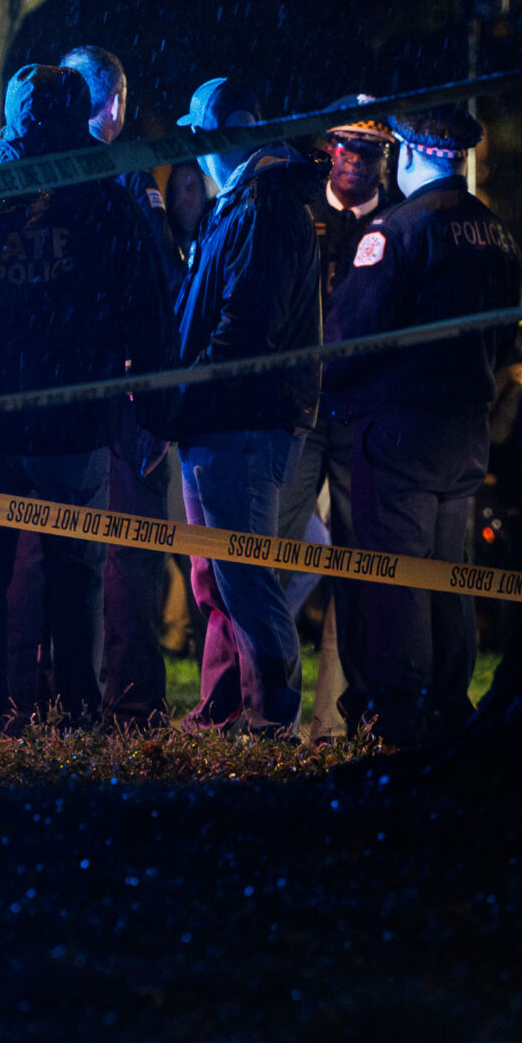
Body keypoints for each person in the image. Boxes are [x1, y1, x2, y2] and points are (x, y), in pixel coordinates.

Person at [0, 64, 174, 738]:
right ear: (81, 115)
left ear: (13, 115)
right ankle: (76, 715)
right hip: (76, 423)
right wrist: (156, 413)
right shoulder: (106, 201)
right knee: (77, 572)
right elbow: (150, 314)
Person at [321, 105, 520, 750]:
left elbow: (351, 339)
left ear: (410, 156)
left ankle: (401, 714)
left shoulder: (397, 231)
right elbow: (506, 339)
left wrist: (332, 395)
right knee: (450, 573)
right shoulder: (497, 235)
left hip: (400, 430)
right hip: (465, 429)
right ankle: (450, 703)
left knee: (397, 575)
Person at [155, 77, 324, 738]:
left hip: (242, 425)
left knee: (247, 580)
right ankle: (227, 706)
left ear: (217, 134)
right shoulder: (243, 205)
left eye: (200, 136)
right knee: (219, 579)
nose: (194, 152)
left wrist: (180, 395)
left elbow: (242, 333)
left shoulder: (263, 210)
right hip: (221, 421)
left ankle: (272, 717)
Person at [63, 44, 185, 726]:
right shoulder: (126, 176)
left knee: (48, 556)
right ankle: (132, 702)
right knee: (129, 557)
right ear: (114, 105)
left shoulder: (18, 171)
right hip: (117, 400)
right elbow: (159, 291)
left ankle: (40, 701)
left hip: (41, 403)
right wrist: (158, 406)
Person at [279, 96, 408, 736]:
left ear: (386, 159)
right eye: (347, 145)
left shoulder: (401, 225)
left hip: (362, 416)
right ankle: (269, 707)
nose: (356, 158)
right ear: (329, 149)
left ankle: (346, 716)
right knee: (269, 552)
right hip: (302, 411)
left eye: (370, 149)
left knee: (359, 567)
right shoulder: (300, 215)